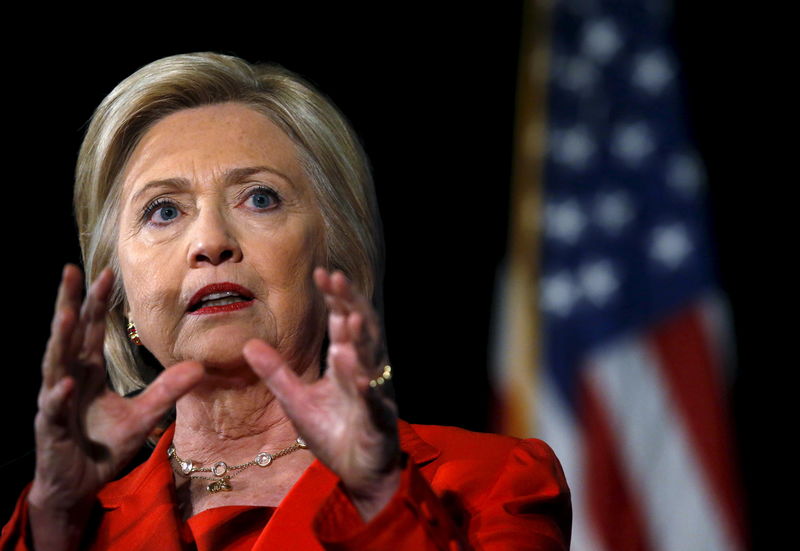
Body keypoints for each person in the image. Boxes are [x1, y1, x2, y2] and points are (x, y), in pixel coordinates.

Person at [0, 52, 571, 550]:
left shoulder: (490, 482)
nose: (210, 242)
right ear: (120, 294)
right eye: (164, 210)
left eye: (260, 198)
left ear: (337, 259)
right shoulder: (61, 525)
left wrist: (377, 500)